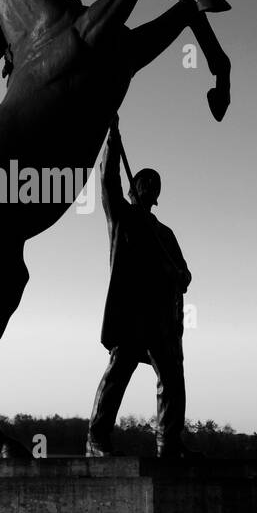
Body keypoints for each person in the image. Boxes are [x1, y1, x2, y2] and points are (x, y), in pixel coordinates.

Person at [86, 116, 191, 458]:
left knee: (173, 380)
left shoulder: (165, 234)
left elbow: (185, 275)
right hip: (132, 314)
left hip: (160, 319)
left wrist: (180, 276)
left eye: (154, 184)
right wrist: (112, 140)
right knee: (118, 374)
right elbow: (107, 180)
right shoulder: (122, 217)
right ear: (134, 189)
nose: (150, 186)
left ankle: (169, 443)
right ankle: (96, 439)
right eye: (145, 181)